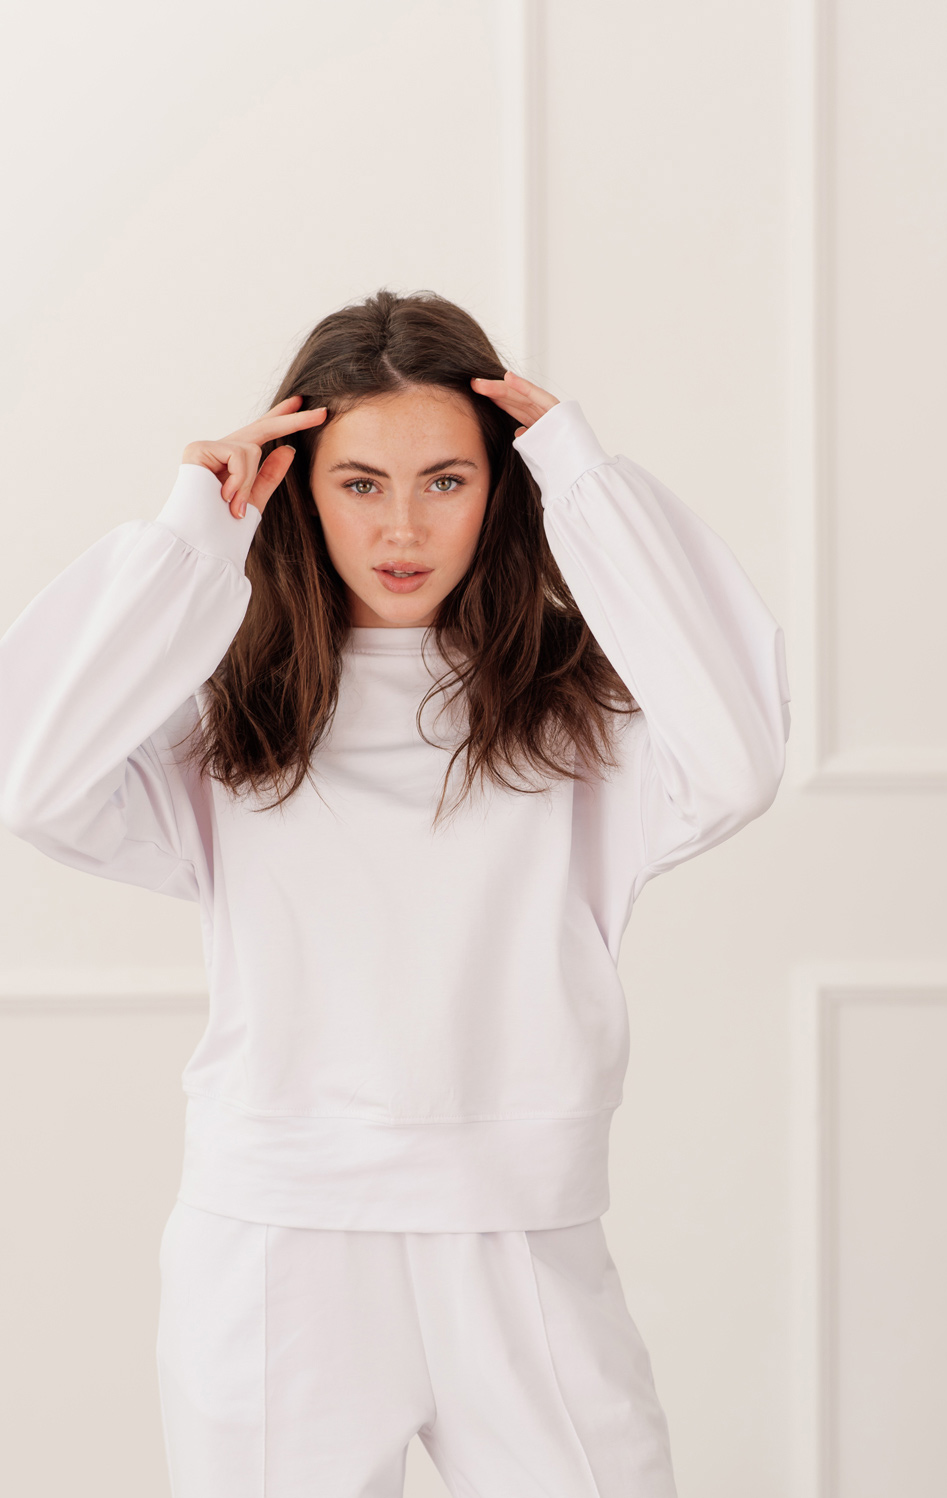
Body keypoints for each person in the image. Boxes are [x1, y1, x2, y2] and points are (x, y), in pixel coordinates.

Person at [0, 289, 791, 1498]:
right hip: (278, 1242)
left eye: (447, 479)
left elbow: (739, 759)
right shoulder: (227, 712)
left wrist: (584, 479)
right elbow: (37, 782)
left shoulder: (580, 708)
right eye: (360, 482)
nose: (403, 526)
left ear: (500, 487)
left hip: (523, 1234)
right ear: (300, 489)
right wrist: (191, 536)